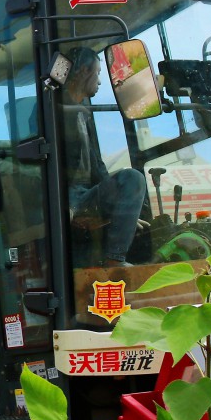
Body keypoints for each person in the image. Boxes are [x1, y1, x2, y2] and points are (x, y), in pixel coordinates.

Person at [61, 46, 146, 267]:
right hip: (65, 198)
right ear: (83, 72)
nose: (99, 82)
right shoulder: (53, 110)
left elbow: (97, 164)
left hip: (84, 196)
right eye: (98, 73)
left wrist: (123, 206)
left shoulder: (82, 113)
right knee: (134, 178)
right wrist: (65, 206)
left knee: (131, 182)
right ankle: (114, 260)